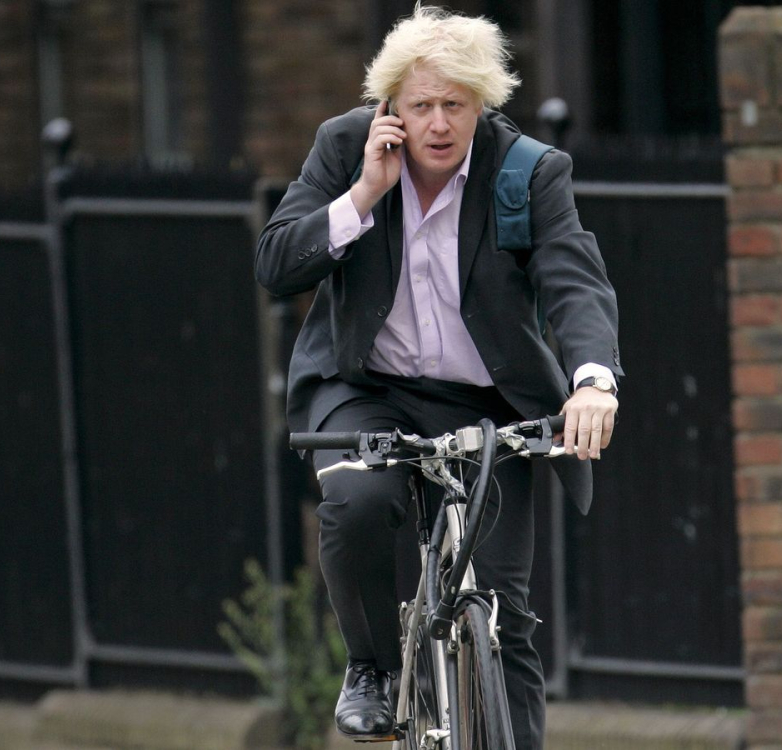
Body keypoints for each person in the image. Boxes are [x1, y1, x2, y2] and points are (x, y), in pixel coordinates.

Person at [254, 6, 622, 747]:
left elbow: (574, 282)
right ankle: (372, 669)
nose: (439, 123)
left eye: (455, 104)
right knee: (356, 500)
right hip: (365, 387)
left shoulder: (526, 172)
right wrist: (362, 197)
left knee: (505, 610)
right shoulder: (344, 148)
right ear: (390, 108)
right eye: (421, 105)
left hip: (484, 402)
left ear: (480, 104)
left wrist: (592, 381)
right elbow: (275, 265)